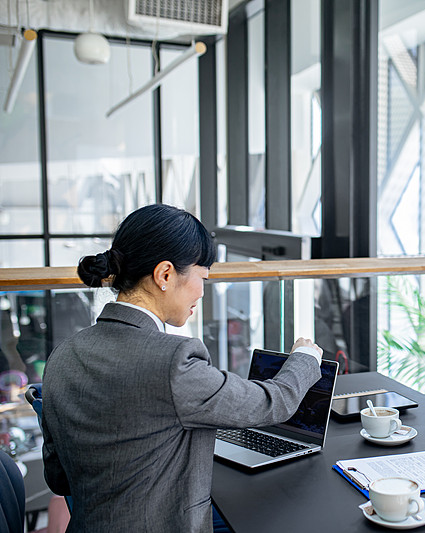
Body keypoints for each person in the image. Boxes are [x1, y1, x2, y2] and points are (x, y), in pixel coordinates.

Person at [41, 204, 324, 532]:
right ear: (164, 275)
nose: (202, 293)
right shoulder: (171, 360)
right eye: (201, 278)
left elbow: (58, 478)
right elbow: (270, 402)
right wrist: (304, 358)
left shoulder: (62, 356)